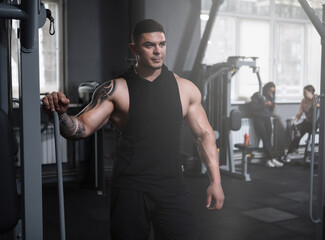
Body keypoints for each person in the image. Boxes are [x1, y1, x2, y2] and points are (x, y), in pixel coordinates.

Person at [42, 19, 224, 240]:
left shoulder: (184, 89)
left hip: (172, 186)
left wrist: (216, 181)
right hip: (131, 189)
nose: (158, 51)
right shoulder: (116, 89)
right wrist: (60, 114)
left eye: (162, 44)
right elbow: (80, 129)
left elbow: (203, 135)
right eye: (149, 45)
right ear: (134, 48)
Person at [250, 82, 283, 168]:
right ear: (265, 89)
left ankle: (269, 160)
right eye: (269, 91)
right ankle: (271, 159)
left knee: (268, 139)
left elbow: (270, 109)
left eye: (272, 92)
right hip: (259, 119)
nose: (270, 93)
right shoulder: (257, 95)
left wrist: (272, 106)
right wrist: (264, 104)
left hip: (267, 118)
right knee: (265, 138)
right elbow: (253, 108)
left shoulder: (270, 96)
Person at [282, 85, 319, 162]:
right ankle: (291, 152)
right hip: (307, 122)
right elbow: (300, 113)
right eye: (303, 92)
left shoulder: (317, 99)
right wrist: (294, 123)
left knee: (304, 129)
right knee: (297, 131)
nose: (303, 94)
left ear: (311, 92)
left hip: (316, 123)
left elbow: (319, 109)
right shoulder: (303, 100)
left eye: (305, 92)